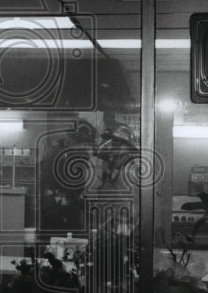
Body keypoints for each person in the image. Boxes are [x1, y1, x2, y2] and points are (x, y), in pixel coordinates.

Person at [85, 123, 141, 293]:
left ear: (127, 147)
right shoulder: (115, 168)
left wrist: (116, 234)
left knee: (112, 279)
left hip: (117, 237)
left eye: (115, 143)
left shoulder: (129, 169)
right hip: (108, 234)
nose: (109, 147)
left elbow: (128, 208)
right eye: (109, 142)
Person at [39, 119, 97, 233]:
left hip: (71, 212)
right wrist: (56, 217)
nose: (87, 148)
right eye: (84, 144)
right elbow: (47, 188)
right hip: (57, 215)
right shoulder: (56, 155)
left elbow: (77, 188)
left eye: (88, 144)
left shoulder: (77, 158)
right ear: (72, 141)